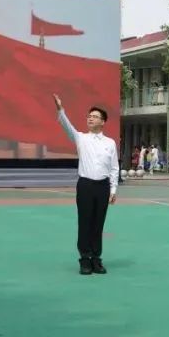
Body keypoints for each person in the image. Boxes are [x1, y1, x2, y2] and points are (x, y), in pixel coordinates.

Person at [53, 93, 119, 275]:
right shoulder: (81, 138)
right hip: (85, 186)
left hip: (103, 187)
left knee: (98, 224)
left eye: (95, 116)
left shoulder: (110, 143)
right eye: (89, 116)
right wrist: (60, 109)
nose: (90, 118)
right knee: (85, 223)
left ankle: (96, 259)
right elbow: (66, 125)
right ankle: (84, 260)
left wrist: (113, 189)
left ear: (103, 122)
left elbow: (114, 168)